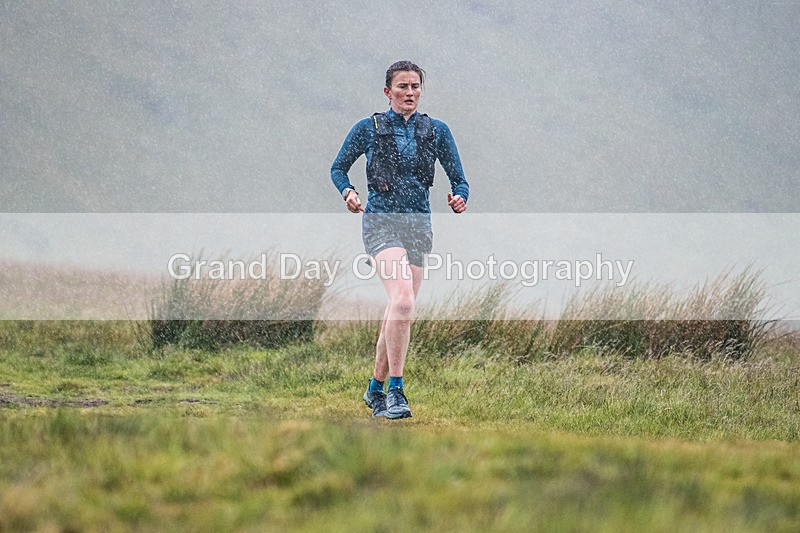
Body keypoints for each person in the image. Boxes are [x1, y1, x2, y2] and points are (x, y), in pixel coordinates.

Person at [331, 60, 469, 419]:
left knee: (398, 309)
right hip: (380, 223)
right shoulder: (369, 128)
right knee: (405, 303)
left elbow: (460, 180)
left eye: (415, 87)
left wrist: (459, 197)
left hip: (418, 227)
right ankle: (396, 391)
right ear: (387, 91)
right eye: (403, 87)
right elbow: (337, 168)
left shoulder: (437, 131)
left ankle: (374, 391)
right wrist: (348, 192)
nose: (410, 93)